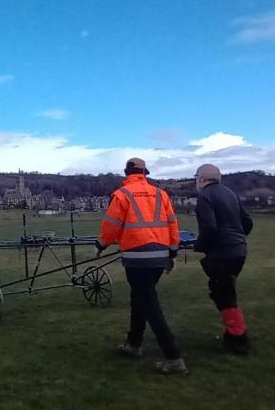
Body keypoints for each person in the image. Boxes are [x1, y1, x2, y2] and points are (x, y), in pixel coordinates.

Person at [96, 157, 187, 374]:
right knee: (140, 298)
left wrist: (100, 245)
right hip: (159, 255)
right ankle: (134, 344)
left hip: (137, 257)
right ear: (145, 173)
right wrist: (172, 252)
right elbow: (172, 223)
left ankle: (173, 356)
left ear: (127, 173)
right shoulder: (160, 194)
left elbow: (111, 226)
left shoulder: (121, 195)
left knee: (148, 302)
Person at [193, 163, 253, 354]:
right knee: (225, 290)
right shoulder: (230, 193)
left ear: (202, 179)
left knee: (223, 294)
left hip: (222, 252)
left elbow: (209, 227)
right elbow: (248, 222)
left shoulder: (205, 196)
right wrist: (238, 239)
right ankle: (233, 333)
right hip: (239, 251)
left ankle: (238, 338)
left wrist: (200, 245)